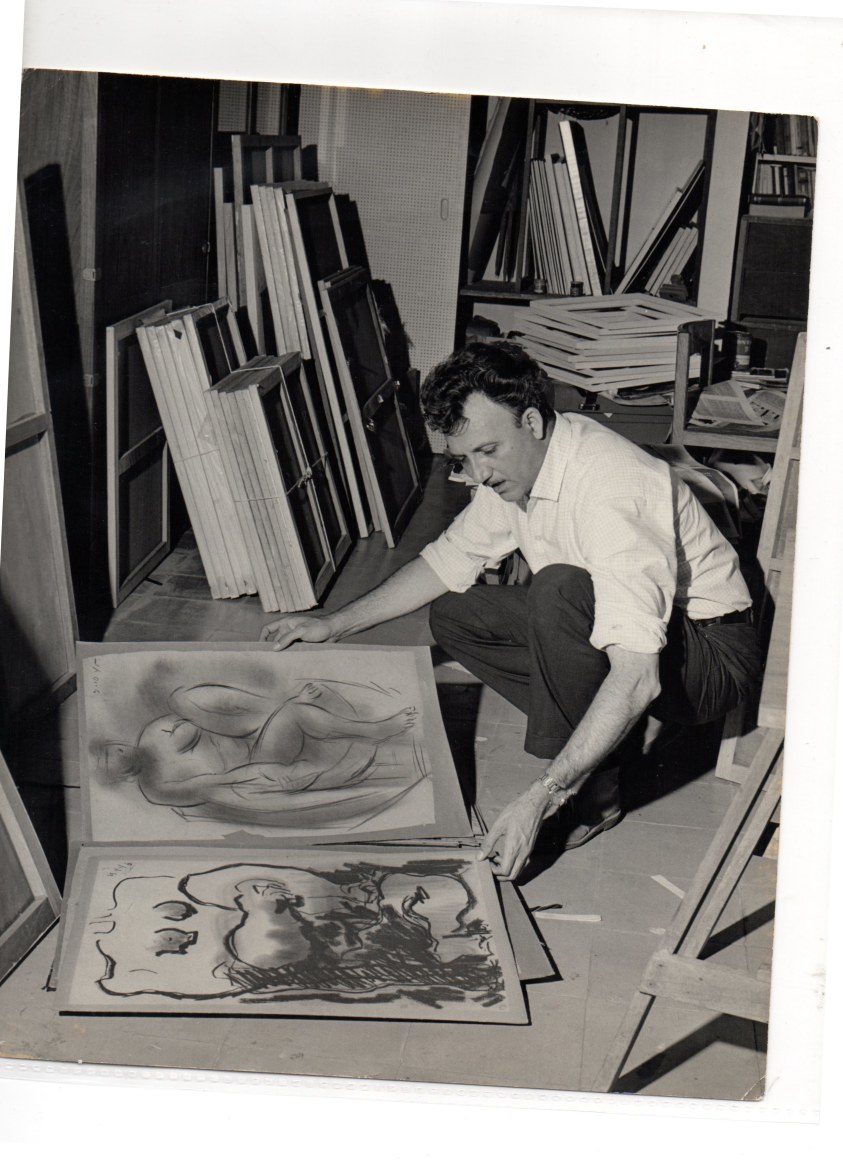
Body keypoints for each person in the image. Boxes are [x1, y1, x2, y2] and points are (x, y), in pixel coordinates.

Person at [260, 341, 762, 880]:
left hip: (710, 658)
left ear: (532, 421)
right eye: (464, 458)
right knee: (456, 613)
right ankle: (600, 741)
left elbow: (639, 676)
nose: (478, 473)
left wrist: (544, 795)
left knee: (558, 590)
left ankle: (595, 791)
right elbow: (446, 561)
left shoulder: (612, 485)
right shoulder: (523, 464)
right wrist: (334, 624)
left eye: (487, 451)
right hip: (633, 631)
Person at [101, 679, 419, 828]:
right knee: (293, 713)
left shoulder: (151, 732)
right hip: (256, 762)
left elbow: (210, 715)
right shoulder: (158, 788)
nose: (119, 750)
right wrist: (265, 775)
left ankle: (281, 705)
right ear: (124, 776)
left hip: (247, 727)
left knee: (181, 698)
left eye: (113, 748)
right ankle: (374, 730)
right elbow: (219, 784)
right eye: (113, 759)